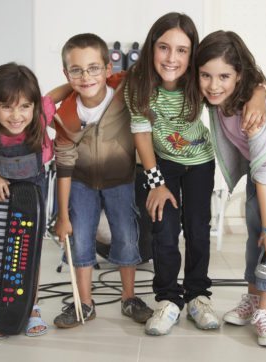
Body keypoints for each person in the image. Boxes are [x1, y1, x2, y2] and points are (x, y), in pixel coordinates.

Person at [125, 13, 266, 336]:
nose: (171, 58)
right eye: (164, 48)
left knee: (197, 229)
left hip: (200, 164)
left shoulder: (198, 81)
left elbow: (249, 81)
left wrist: (259, 95)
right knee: (163, 230)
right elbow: (142, 134)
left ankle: (198, 296)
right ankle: (167, 299)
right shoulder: (139, 84)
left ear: (192, 55)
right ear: (151, 48)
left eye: (181, 50)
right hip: (160, 165)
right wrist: (156, 183)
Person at [195, 30, 266, 347]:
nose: (213, 85)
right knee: (255, 237)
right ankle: (252, 299)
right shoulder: (223, 100)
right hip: (259, 176)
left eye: (223, 76)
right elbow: (259, 85)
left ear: (238, 75)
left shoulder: (253, 112)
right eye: (206, 75)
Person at [52, 33, 153, 328]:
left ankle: (129, 298)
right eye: (76, 70)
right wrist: (61, 214)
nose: (86, 77)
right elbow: (63, 165)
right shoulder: (65, 116)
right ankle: (84, 303)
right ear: (66, 73)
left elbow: (147, 68)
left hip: (121, 179)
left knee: (126, 235)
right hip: (80, 182)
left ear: (108, 69)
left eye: (94, 68)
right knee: (80, 237)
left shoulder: (123, 90)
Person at [0, 62, 60, 339]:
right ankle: (1, 312)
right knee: (1, 248)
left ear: (34, 106)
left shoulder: (41, 116)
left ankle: (31, 310)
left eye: (24, 107)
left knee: (30, 252)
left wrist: (80, 85)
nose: (16, 116)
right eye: (6, 107)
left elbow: (56, 96)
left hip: (34, 186)